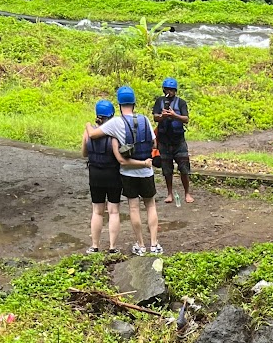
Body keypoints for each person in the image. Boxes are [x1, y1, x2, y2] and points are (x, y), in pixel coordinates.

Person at [96, 84, 161, 256]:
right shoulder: (145, 120)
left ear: (119, 104)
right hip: (147, 171)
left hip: (128, 173)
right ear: (134, 103)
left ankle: (140, 245)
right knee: (150, 205)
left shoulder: (116, 122)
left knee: (134, 208)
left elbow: (94, 135)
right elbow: (154, 143)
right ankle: (154, 245)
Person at [82, 98, 122, 254]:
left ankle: (95, 245)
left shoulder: (88, 131)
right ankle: (112, 247)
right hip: (113, 174)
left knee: (97, 211)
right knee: (113, 211)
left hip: (95, 174)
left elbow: (84, 153)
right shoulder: (114, 133)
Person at [155, 76, 192, 204]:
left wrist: (174, 115)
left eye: (171, 90)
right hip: (164, 141)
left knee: (184, 168)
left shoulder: (181, 103)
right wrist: (162, 116)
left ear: (175, 90)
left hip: (179, 141)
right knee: (167, 170)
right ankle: (169, 193)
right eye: (166, 89)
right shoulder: (159, 102)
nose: (168, 92)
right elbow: (155, 117)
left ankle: (187, 193)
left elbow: (186, 119)